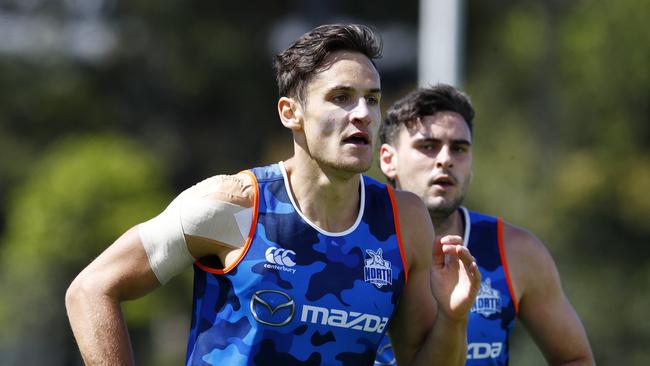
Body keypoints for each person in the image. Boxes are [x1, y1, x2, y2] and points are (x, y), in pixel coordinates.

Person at [65, 25, 481, 366]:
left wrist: (454, 317)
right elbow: (91, 290)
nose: (363, 114)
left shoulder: (402, 218)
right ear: (290, 113)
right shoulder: (232, 205)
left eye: (371, 100)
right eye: (341, 98)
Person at [374, 84, 595, 365]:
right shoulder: (362, 240)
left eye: (459, 149)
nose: (445, 160)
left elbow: (574, 358)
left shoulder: (514, 251)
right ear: (388, 159)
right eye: (427, 146)